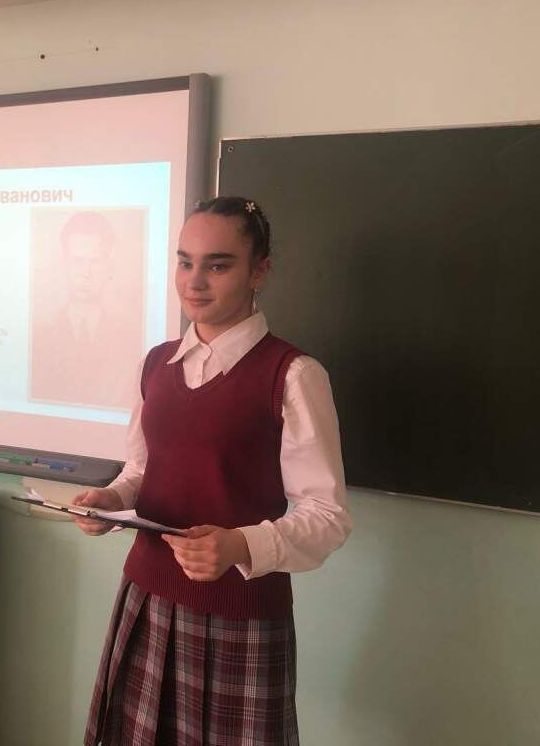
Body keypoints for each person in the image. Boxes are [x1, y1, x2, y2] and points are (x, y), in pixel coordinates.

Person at [73, 196, 352, 746]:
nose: (194, 282)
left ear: (259, 272)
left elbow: (328, 515)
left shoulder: (292, 375)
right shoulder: (155, 364)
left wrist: (241, 544)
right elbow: (143, 468)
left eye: (217, 265)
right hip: (146, 595)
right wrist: (112, 498)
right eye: (185, 262)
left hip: (238, 617)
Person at [30, 210, 143, 409]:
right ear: (64, 264)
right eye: (77, 261)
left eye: (95, 261)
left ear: (109, 266)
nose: (86, 273)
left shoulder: (131, 338)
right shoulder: (39, 337)